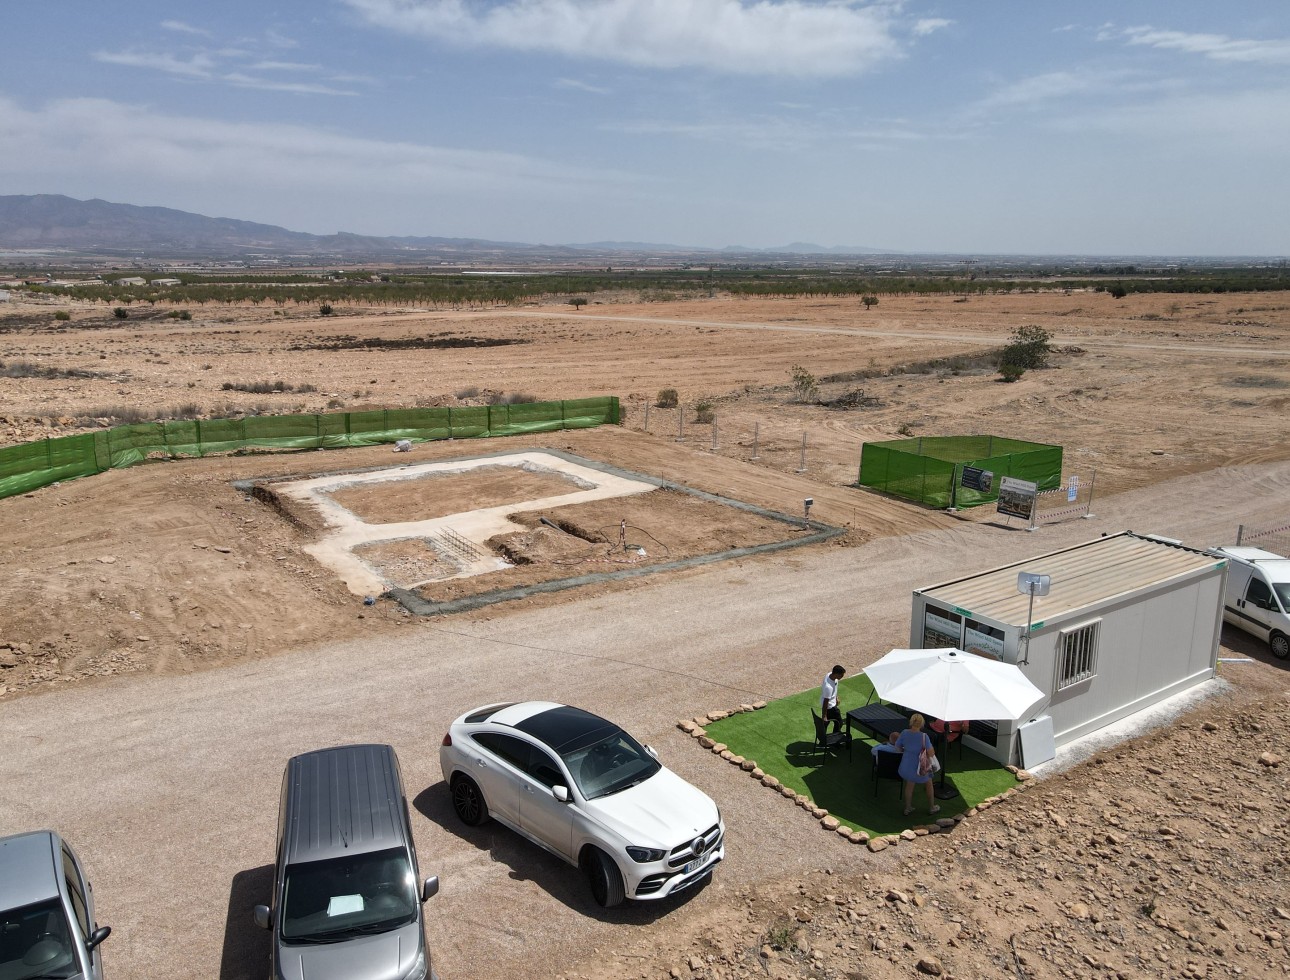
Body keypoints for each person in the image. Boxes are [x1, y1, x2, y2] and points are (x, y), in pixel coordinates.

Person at [896, 713, 940, 817]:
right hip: (922, 767)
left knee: (909, 786)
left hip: (907, 765)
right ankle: (932, 807)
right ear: (922, 724)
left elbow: (897, 747)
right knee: (929, 785)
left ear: (911, 722)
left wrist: (907, 750)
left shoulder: (904, 733)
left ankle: (907, 808)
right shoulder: (924, 737)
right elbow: (931, 753)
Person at [820, 665, 845, 734]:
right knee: (839, 722)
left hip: (830, 706)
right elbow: (826, 702)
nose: (842, 676)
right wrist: (824, 716)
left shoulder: (829, 675)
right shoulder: (828, 687)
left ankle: (823, 739)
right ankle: (835, 738)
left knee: (825, 723)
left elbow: (835, 686)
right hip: (831, 708)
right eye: (841, 675)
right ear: (836, 674)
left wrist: (836, 697)